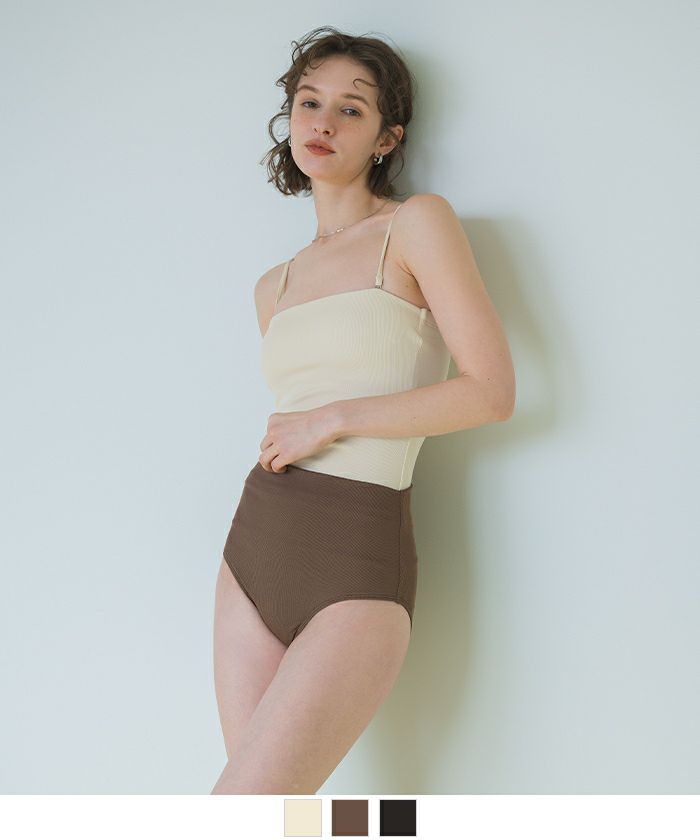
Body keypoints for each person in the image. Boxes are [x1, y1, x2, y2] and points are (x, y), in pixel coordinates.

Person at [211, 26, 515, 795]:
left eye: (351, 109)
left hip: (357, 552)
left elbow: (490, 390)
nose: (323, 122)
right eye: (308, 103)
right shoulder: (272, 285)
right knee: (270, 823)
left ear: (387, 137)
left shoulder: (415, 226)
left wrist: (332, 418)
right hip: (254, 546)